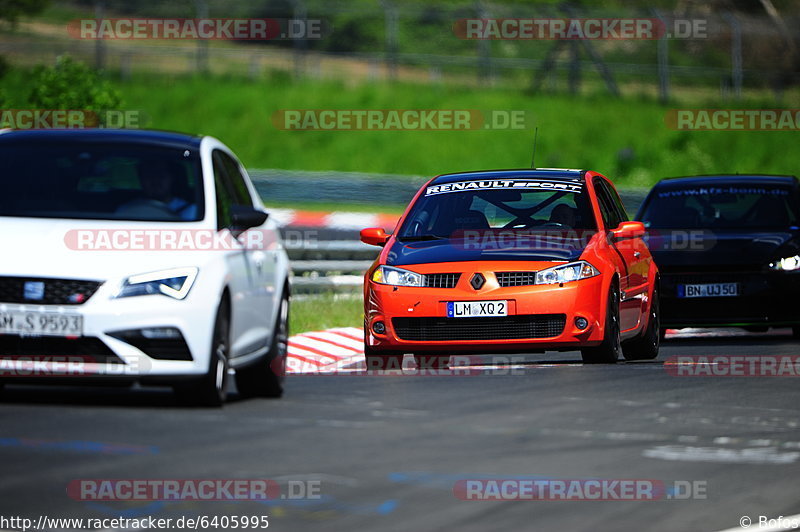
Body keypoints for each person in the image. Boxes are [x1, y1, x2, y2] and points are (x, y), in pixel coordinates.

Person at [117, 160, 197, 220]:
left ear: (171, 178)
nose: (155, 180)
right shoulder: (126, 210)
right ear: (141, 179)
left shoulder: (191, 212)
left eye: (161, 175)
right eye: (149, 175)